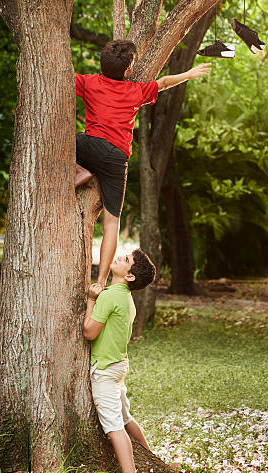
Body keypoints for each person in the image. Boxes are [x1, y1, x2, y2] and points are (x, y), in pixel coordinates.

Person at [75, 40, 211, 291]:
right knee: (111, 223)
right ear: (128, 72)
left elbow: (65, 77)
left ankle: (81, 168)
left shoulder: (89, 82)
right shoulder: (135, 91)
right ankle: (101, 281)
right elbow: (164, 82)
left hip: (90, 147)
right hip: (117, 158)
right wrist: (189, 74)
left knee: (67, 137)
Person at [83, 248, 156, 473]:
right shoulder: (125, 297)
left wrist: (90, 300)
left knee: (114, 428)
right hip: (118, 366)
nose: (118, 257)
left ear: (130, 276)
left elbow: (89, 332)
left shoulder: (109, 296)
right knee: (125, 419)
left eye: (125, 260)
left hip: (105, 370)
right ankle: (151, 459)